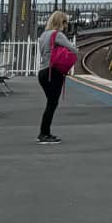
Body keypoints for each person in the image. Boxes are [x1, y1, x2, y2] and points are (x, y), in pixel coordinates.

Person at [37, 11, 76, 145]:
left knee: (51, 103)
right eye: (65, 23)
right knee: (52, 104)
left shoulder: (43, 35)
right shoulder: (57, 35)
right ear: (61, 22)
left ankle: (45, 132)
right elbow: (73, 49)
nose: (66, 26)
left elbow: (44, 53)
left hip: (43, 72)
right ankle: (44, 134)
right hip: (53, 72)